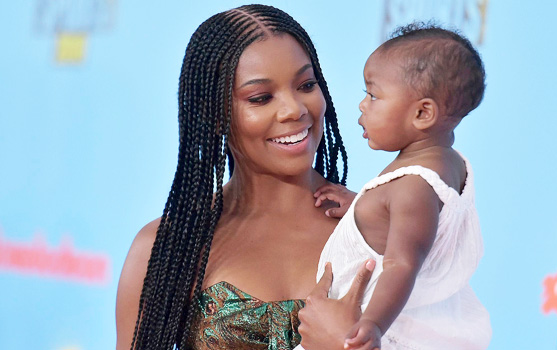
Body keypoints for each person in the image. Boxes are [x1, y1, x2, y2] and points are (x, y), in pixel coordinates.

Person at [115, 5, 372, 350]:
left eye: (306, 84)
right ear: (215, 114)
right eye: (261, 98)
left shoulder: (379, 227)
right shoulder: (167, 248)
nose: (294, 109)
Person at [302, 23, 492, 349]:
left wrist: (372, 326)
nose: (363, 105)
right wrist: (365, 205)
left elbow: (401, 264)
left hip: (382, 334)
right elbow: (410, 219)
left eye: (373, 95)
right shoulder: (449, 162)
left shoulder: (412, 188)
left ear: (422, 113)